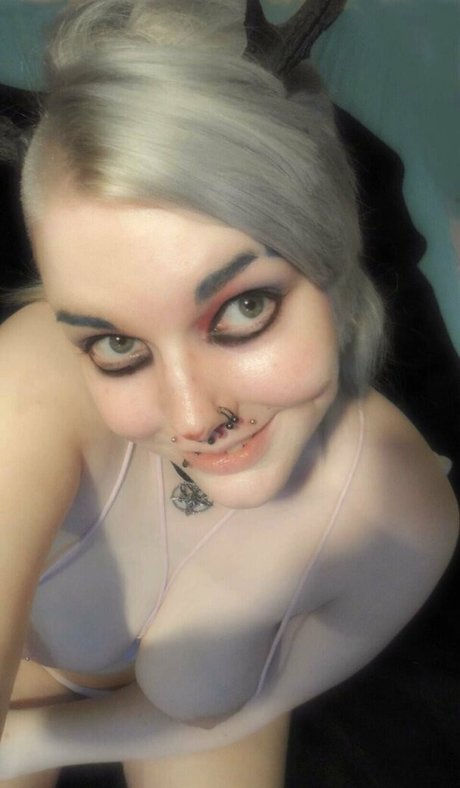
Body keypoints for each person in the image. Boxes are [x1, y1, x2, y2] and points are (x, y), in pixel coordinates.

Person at [0, 1, 457, 786]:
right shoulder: (30, 382)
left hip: (189, 732)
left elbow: (247, 707)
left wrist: (29, 749)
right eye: (116, 344)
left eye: (243, 309)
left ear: (330, 256)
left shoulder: (405, 519)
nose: (191, 417)